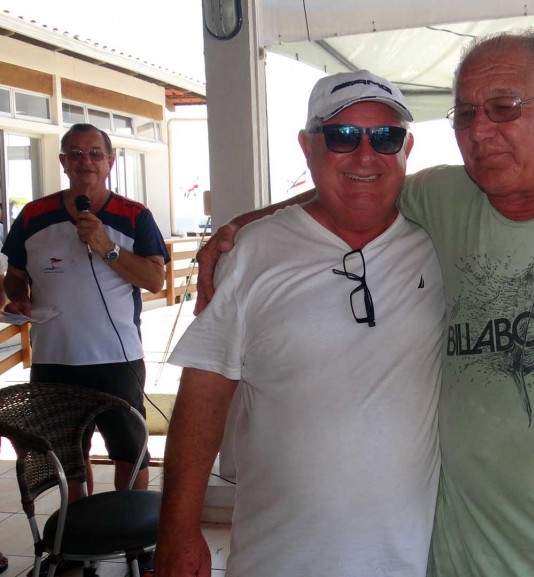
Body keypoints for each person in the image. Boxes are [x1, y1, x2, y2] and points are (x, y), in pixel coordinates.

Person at [195, 32, 534, 577]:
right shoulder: (444, 198)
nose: (479, 131)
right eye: (464, 114)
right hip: (456, 555)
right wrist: (240, 227)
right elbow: (356, 183)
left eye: (504, 107)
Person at [157, 71, 444, 577]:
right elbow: (203, 395)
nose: (365, 155)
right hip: (277, 559)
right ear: (308, 147)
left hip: (410, 560)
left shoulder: (440, 241)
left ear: (406, 148)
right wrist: (178, 530)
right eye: (341, 136)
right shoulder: (252, 252)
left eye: (385, 137)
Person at [1, 123, 169, 577]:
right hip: (54, 357)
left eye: (95, 153)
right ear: (63, 162)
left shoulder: (134, 216)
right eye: (75, 153)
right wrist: (18, 298)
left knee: (129, 450)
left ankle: (136, 540)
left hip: (116, 358)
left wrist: (105, 246)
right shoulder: (33, 215)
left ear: (110, 162)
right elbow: (15, 275)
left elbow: (155, 280)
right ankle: (77, 545)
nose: (85, 162)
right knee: (66, 455)